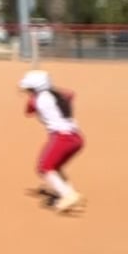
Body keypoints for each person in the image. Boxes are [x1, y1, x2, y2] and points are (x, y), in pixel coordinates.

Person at [20, 70, 85, 214]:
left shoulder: (37, 100)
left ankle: (68, 196)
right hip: (76, 138)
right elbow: (71, 94)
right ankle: (71, 194)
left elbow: (28, 111)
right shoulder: (57, 95)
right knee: (55, 167)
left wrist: (33, 97)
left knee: (44, 167)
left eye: (29, 89)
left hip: (62, 138)